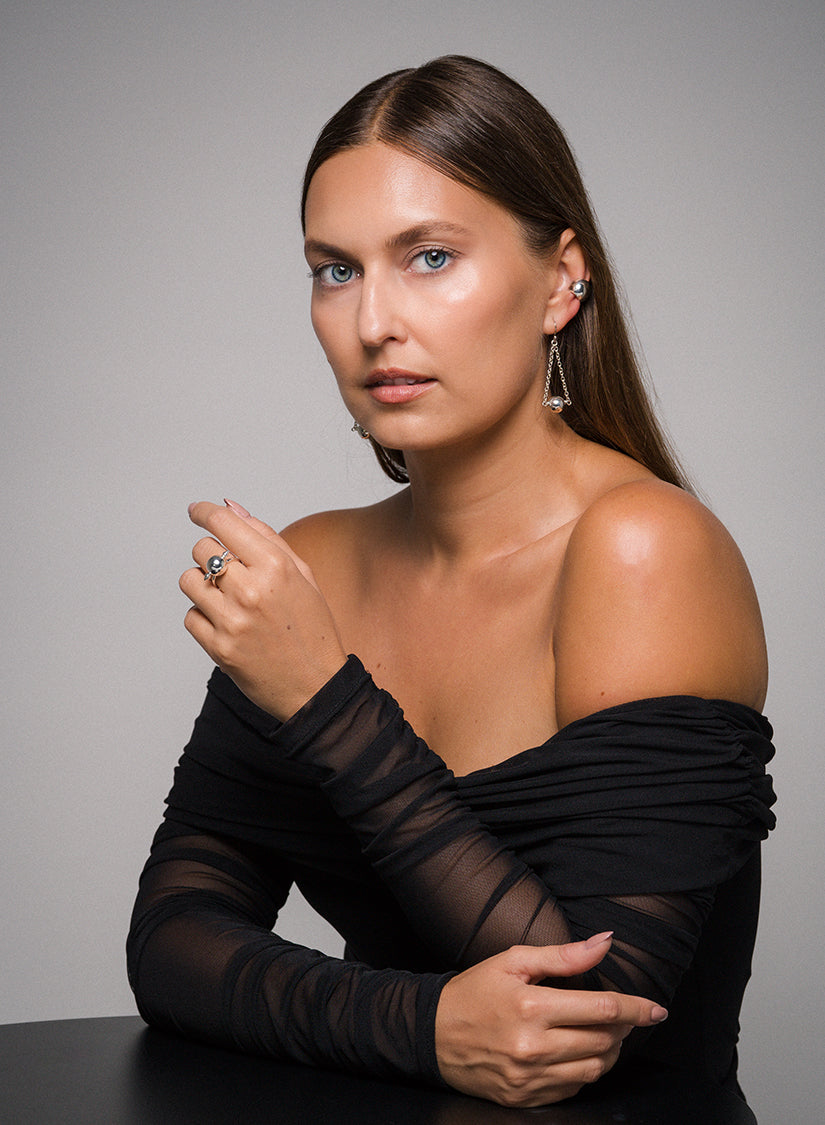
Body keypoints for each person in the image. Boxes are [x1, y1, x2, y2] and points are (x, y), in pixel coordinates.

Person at [127, 56, 776, 1108]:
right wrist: (424, 1027)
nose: (374, 320)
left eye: (429, 256)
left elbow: (586, 1017)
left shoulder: (643, 550)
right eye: (336, 270)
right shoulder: (320, 563)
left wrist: (328, 703)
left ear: (562, 279)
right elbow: (172, 941)